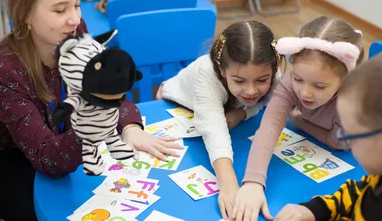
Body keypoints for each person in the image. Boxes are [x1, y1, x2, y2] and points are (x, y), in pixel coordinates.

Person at [0, 0, 180, 220]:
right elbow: (49, 160)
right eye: (60, 10)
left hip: (59, 136)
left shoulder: (74, 33)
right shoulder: (3, 71)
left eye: (77, 5)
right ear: (25, 13)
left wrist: (130, 126)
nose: (75, 19)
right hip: (5, 163)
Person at [232, 16, 364, 221]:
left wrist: (299, 120)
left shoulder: (351, 101)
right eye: (298, 79)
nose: (305, 93)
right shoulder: (290, 83)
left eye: (319, 86)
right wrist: (253, 183)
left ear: (345, 79)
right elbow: (269, 129)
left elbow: (338, 142)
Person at [156, 21, 281, 219]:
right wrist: (229, 184)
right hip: (173, 104)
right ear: (222, 70)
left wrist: (243, 113)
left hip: (228, 107)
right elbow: (214, 129)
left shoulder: (271, 74)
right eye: (240, 81)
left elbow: (265, 102)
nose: (251, 90)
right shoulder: (206, 71)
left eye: (261, 80)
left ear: (273, 70)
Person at [275, 53, 382, 221]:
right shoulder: (377, 175)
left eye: (352, 136)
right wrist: (315, 210)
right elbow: (358, 192)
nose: (349, 144)